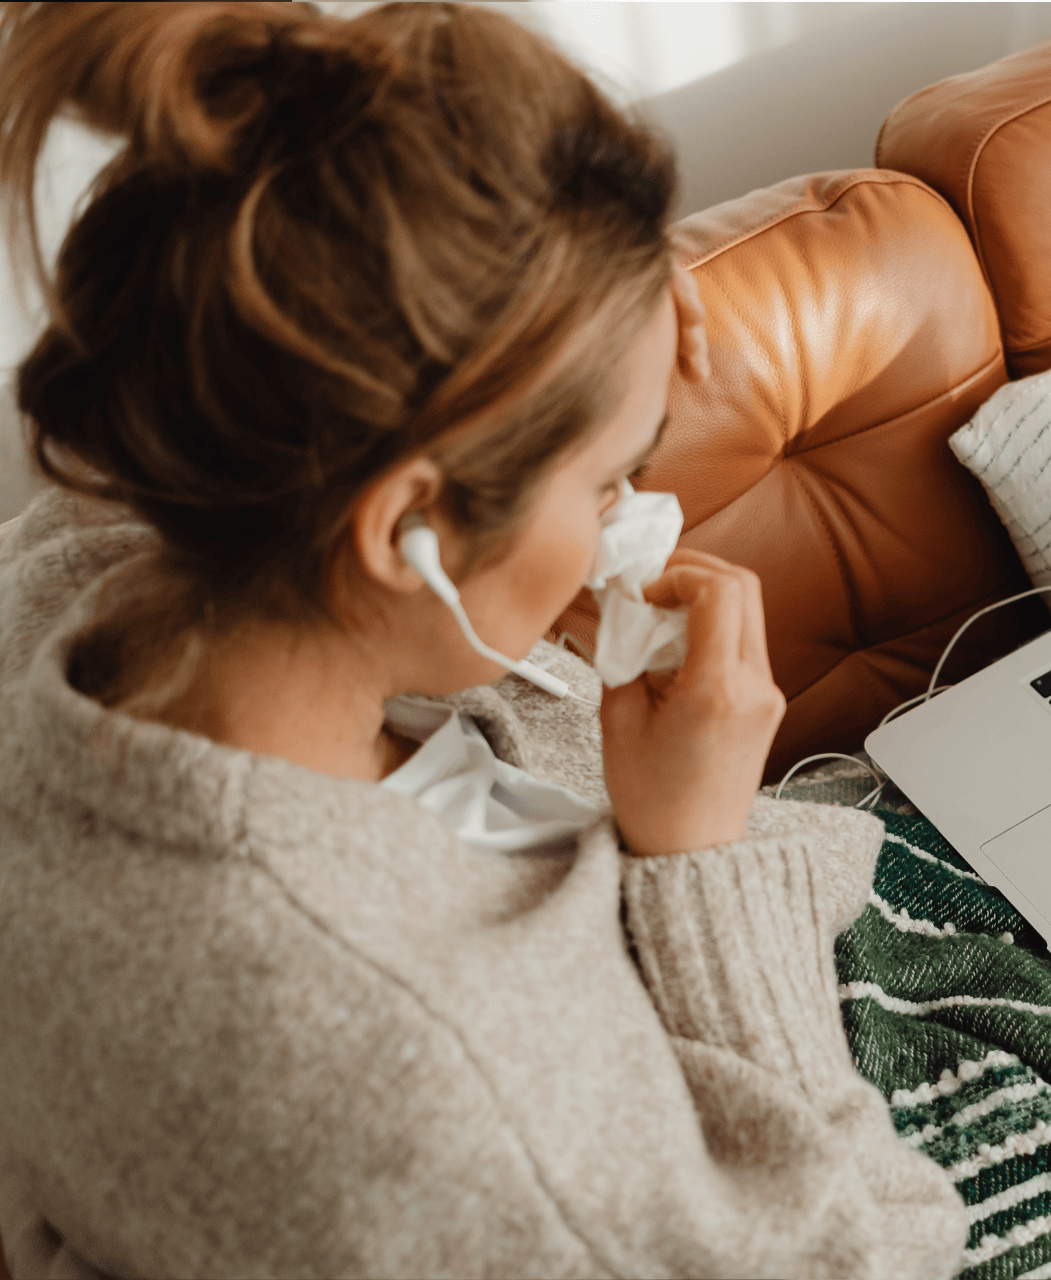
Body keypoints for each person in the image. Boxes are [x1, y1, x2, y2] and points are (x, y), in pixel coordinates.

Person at [0, 4, 964, 1277]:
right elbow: (876, 1255)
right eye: (614, 478)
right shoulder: (442, 1079)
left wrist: (600, 296)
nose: (634, 521)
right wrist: (700, 857)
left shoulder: (86, 558)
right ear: (406, 527)